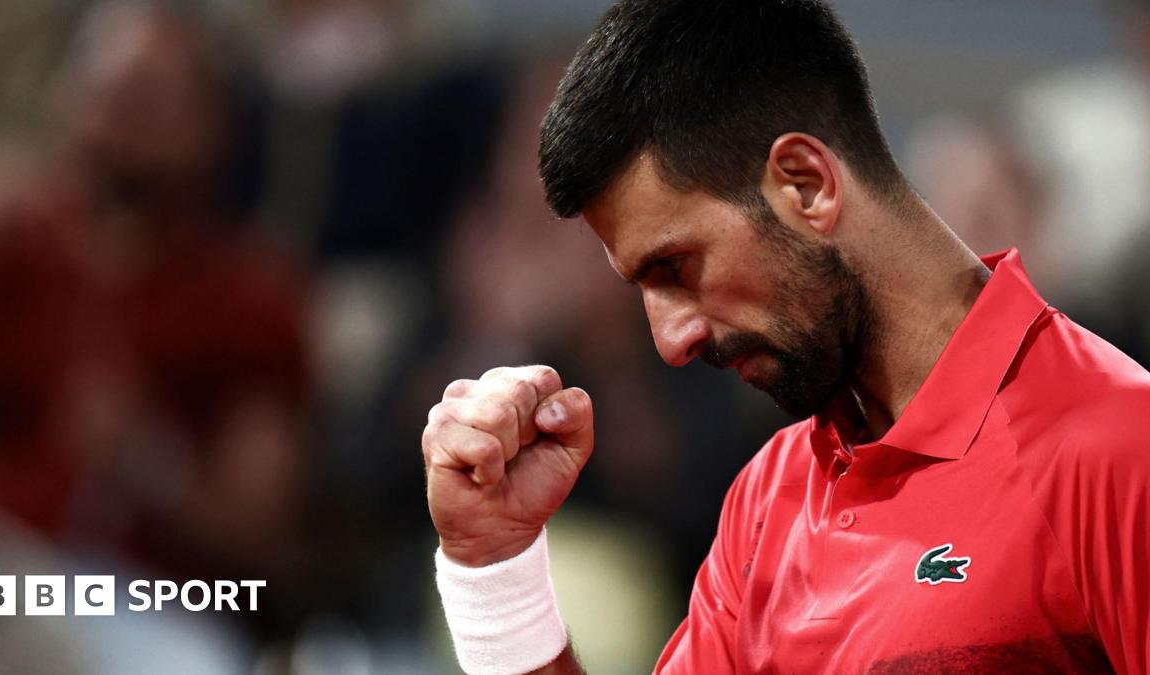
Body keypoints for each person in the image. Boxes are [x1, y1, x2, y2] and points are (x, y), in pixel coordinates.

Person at [421, 1, 1150, 673]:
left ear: (805, 184)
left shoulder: (1121, 449)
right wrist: (496, 568)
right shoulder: (766, 503)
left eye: (675, 266)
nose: (671, 338)